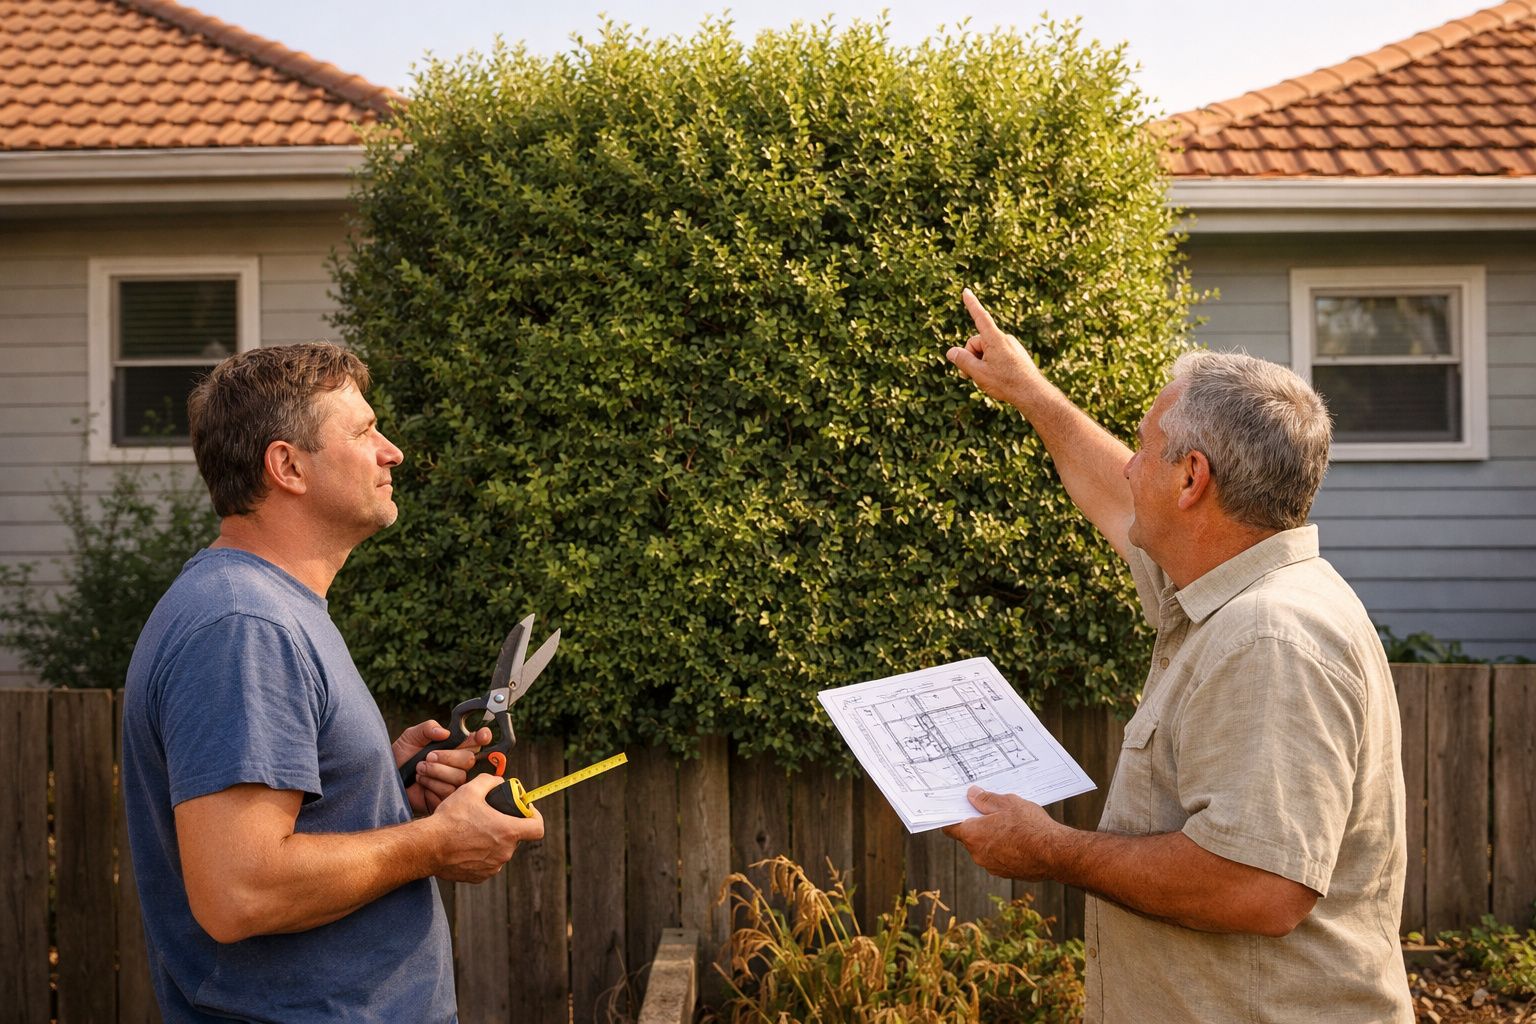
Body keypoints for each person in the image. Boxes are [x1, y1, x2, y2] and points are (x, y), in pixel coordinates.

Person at [942, 290, 1413, 1023]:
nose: (1130, 468)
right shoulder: (1229, 583)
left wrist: (1050, 849)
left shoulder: (1271, 638)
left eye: (1144, 448)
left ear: (1191, 479)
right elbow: (1116, 494)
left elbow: (1257, 887)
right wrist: (1029, 392)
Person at [122, 343, 543, 1023]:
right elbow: (241, 893)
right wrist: (434, 844)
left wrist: (381, 796)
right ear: (287, 466)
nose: (393, 451)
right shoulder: (245, 626)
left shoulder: (274, 608)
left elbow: (284, 838)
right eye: (363, 431)